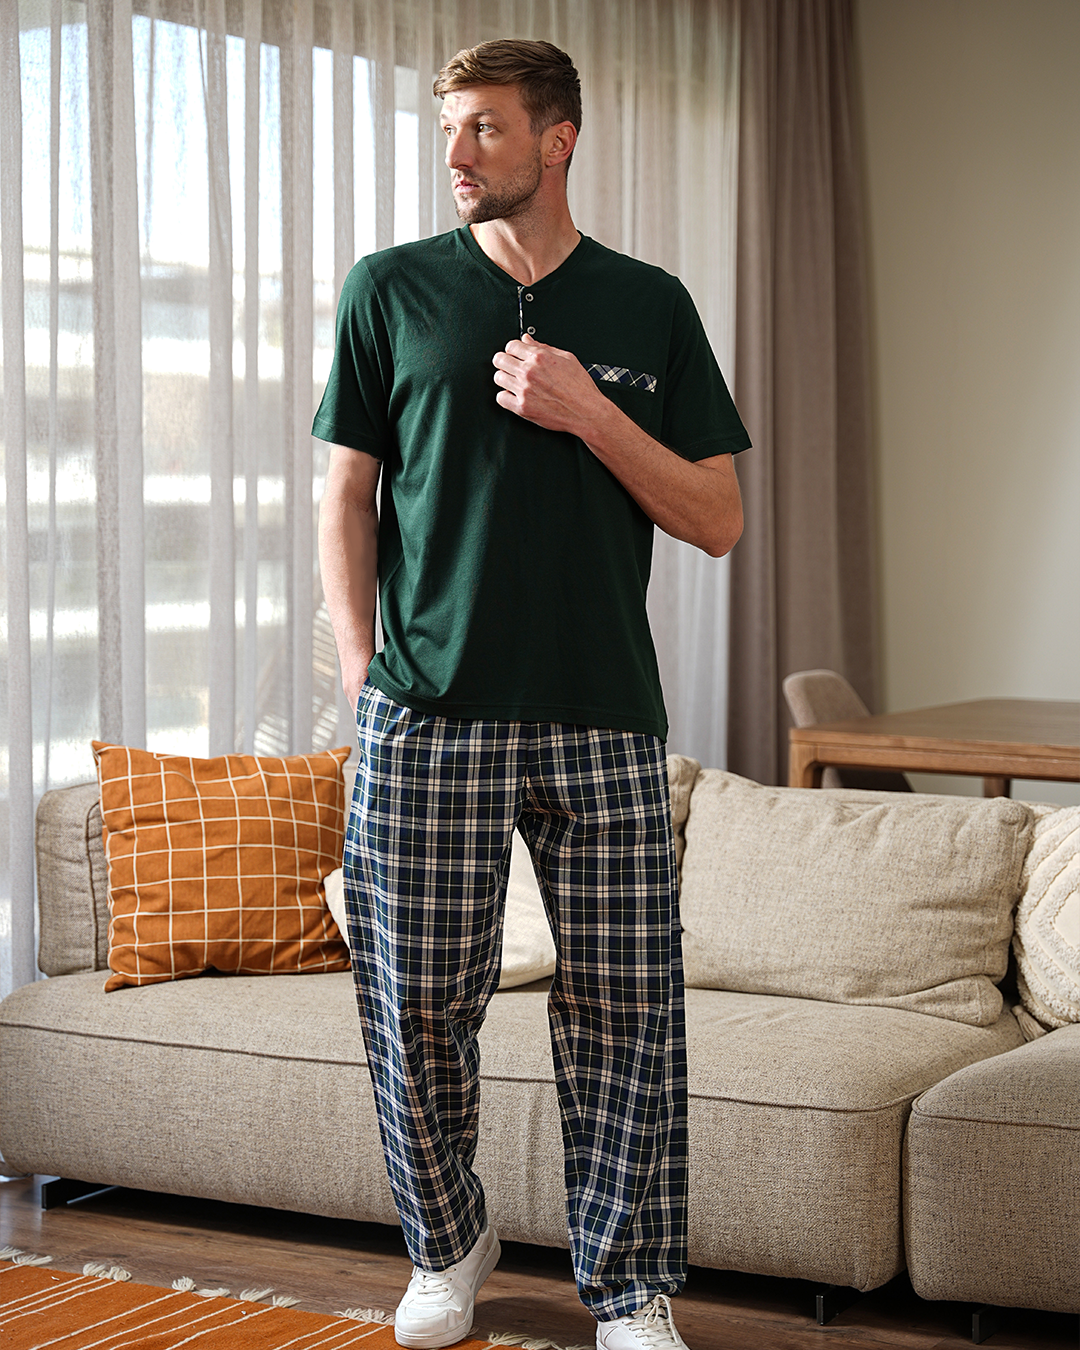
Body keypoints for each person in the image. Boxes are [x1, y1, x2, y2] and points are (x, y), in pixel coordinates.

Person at [314, 38, 750, 1350]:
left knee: (626, 1016)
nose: (456, 153)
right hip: (426, 711)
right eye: (450, 127)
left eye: (486, 128)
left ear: (559, 139)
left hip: (603, 712)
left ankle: (629, 1289)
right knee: (415, 1009)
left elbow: (717, 518)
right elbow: (347, 493)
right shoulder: (390, 289)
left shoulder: (650, 303)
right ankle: (446, 1243)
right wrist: (361, 671)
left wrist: (588, 410)